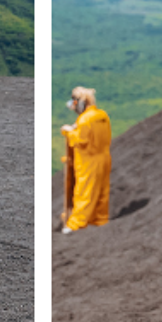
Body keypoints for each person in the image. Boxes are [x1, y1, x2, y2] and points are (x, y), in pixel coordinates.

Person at [60, 86, 112, 232]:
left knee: (84, 192)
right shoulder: (102, 115)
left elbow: (80, 141)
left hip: (88, 161)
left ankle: (76, 223)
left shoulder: (84, 119)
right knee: (102, 191)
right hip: (104, 158)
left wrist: (68, 132)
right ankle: (100, 219)